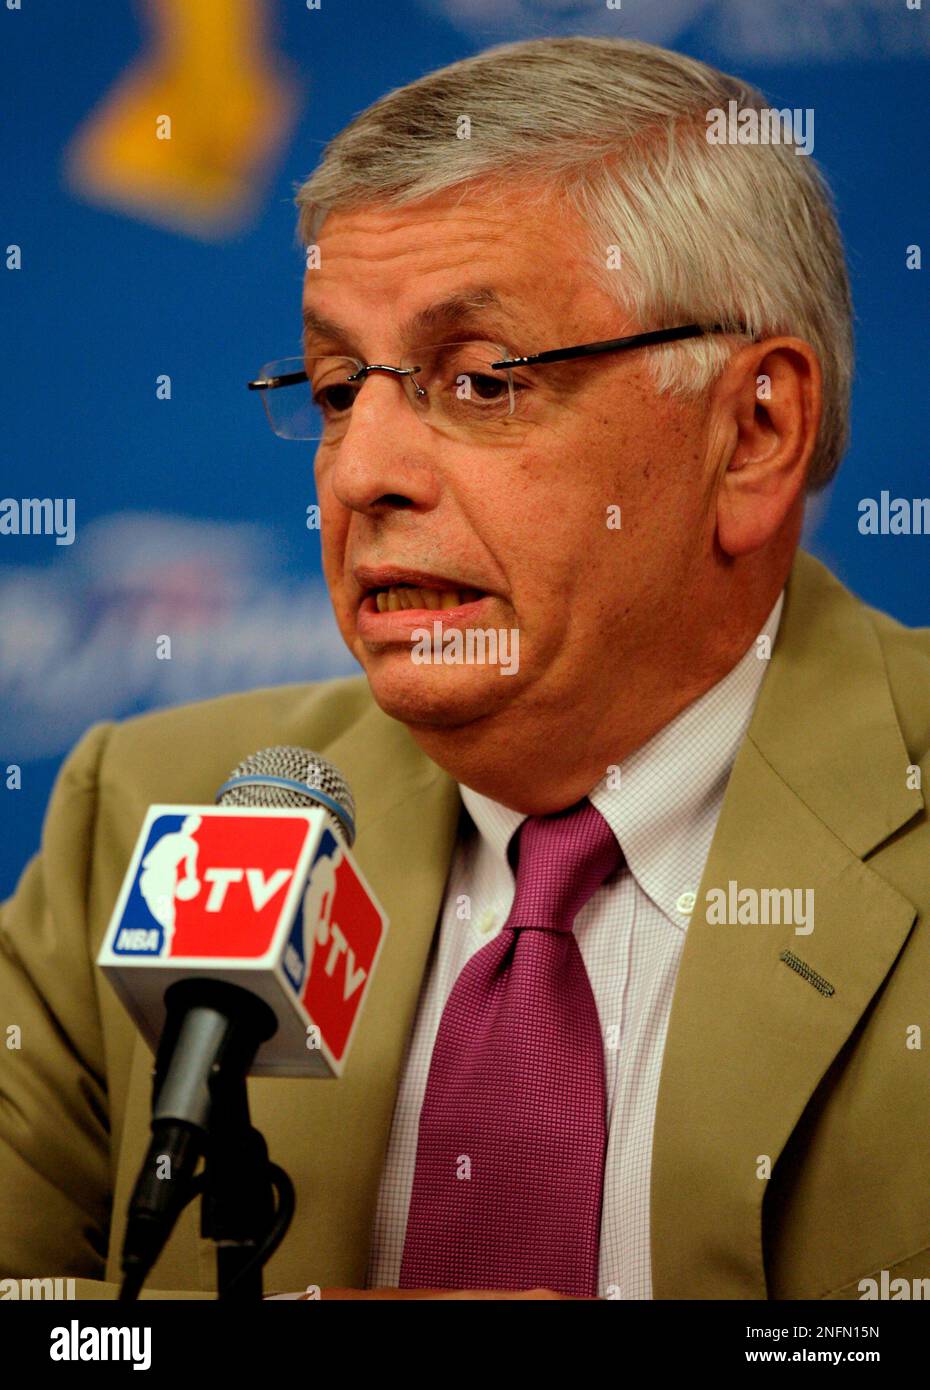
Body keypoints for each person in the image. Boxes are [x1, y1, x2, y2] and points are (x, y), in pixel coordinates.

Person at [2, 34, 928, 1302]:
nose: (358, 471)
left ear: (752, 433)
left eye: (483, 382)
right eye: (337, 389)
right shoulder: (154, 814)